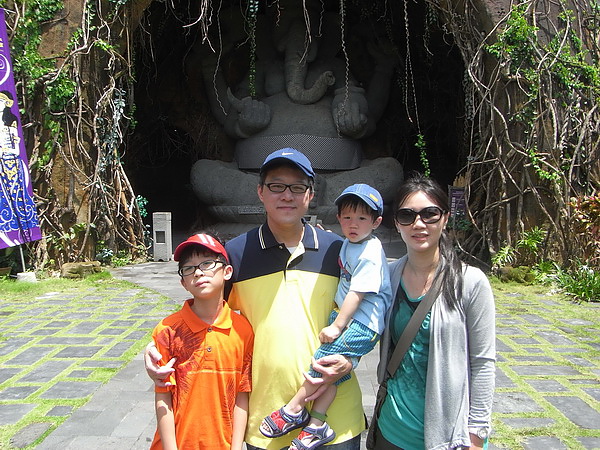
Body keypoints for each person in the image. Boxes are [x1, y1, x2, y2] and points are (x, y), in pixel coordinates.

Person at [145, 148, 365, 450]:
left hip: (334, 419)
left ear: (311, 194)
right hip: (266, 420)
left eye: (297, 187)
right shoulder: (235, 254)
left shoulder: (338, 251)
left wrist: (352, 358)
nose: (287, 195)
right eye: (276, 185)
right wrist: (158, 348)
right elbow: (204, 313)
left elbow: (368, 314)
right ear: (260, 192)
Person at [260, 183, 393, 450]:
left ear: (377, 222)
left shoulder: (370, 253)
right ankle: (317, 425)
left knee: (321, 363)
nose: (352, 224)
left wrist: (337, 325)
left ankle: (294, 409)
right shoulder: (351, 243)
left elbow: (357, 293)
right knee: (334, 374)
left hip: (361, 323)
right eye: (346, 218)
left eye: (362, 218)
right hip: (351, 318)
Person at [371, 173, 496, 449]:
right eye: (407, 215)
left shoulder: (470, 282)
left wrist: (476, 434)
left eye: (429, 214)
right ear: (397, 223)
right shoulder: (387, 277)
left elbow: (483, 362)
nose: (418, 223)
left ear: (445, 218)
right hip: (392, 429)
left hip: (449, 435)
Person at [149, 233, 254, 450]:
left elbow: (242, 396)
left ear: (227, 272)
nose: (198, 272)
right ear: (183, 282)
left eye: (207, 263)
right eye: (189, 268)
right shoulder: (168, 330)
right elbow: (163, 396)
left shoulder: (243, 330)